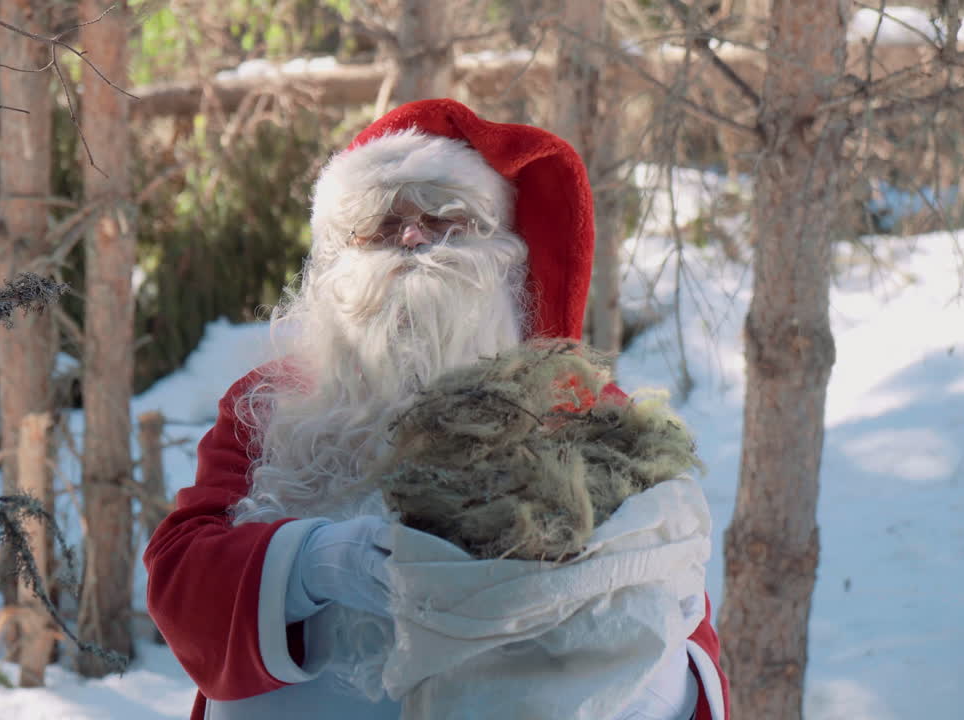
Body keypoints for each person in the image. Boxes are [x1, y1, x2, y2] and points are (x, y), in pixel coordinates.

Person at [144, 99, 729, 720]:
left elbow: (682, 609)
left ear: (505, 255)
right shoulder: (272, 404)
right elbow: (181, 579)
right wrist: (313, 563)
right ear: (335, 260)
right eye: (382, 223)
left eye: (447, 219)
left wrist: (651, 681)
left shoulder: (580, 406)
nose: (414, 238)